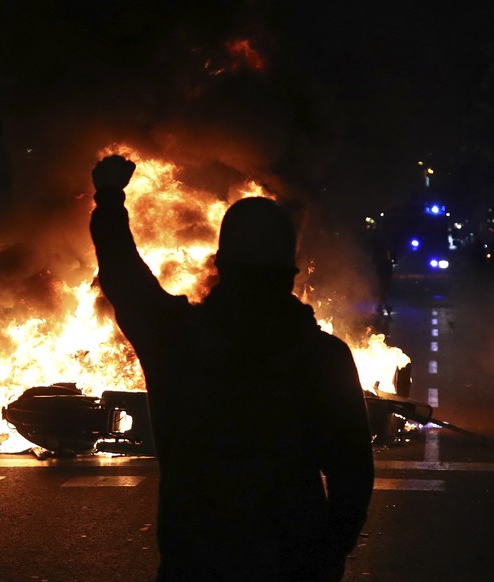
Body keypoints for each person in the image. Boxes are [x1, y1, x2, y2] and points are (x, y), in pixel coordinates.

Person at [89, 154, 374, 581]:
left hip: (196, 563)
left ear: (220, 264)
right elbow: (352, 476)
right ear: (291, 272)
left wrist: (110, 198)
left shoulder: (177, 340)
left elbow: (123, 275)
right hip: (294, 565)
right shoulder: (324, 357)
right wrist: (328, 552)